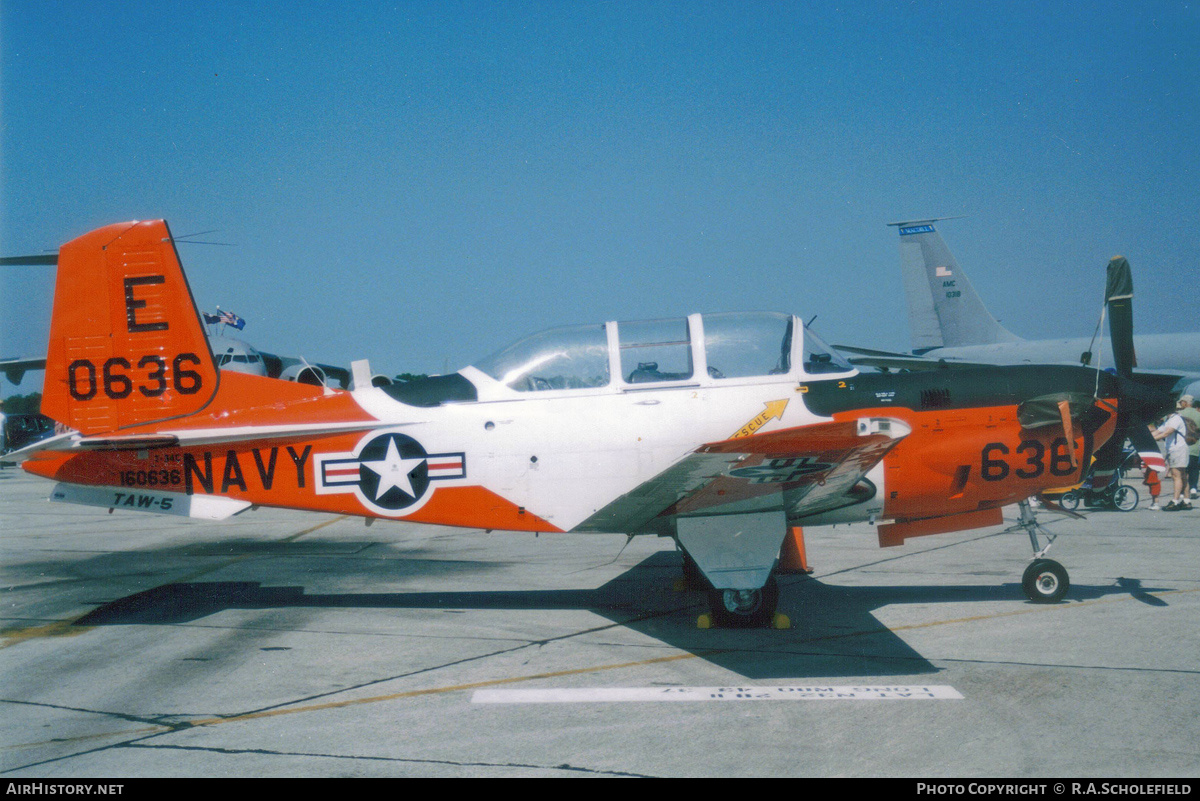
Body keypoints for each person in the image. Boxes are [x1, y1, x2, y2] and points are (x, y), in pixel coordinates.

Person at [1152, 399, 1192, 511]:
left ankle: (1175, 501)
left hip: (1178, 450)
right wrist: (1148, 437)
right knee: (1182, 475)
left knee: (1176, 475)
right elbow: (1159, 431)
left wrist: (1152, 440)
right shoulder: (1169, 419)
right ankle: (1186, 501)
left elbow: (1166, 433)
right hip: (1175, 450)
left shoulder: (1176, 419)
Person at [1179, 394, 1200, 499]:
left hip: (1181, 446)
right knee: (1194, 468)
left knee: (1182, 469)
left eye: (1181, 402)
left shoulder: (1179, 414)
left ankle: (1182, 491)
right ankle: (1193, 488)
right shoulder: (1198, 414)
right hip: (1195, 446)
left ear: (1185, 402)